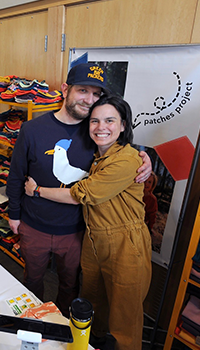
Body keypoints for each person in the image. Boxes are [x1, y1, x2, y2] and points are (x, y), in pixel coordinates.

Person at [6, 63, 151, 318]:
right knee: (31, 281)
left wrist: (144, 158)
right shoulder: (32, 129)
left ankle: (62, 331)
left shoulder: (97, 131)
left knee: (70, 285)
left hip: (76, 230)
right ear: (65, 90)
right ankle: (32, 326)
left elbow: (122, 153)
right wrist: (14, 215)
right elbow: (16, 175)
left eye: (96, 94)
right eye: (83, 90)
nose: (89, 99)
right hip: (34, 225)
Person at [24, 94, 152, 350]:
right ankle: (93, 343)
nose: (100, 127)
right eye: (94, 121)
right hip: (93, 239)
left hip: (126, 243)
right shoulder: (96, 156)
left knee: (124, 315)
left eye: (109, 120)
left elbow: (81, 195)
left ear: (123, 125)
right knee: (94, 302)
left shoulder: (127, 159)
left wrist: (37, 191)